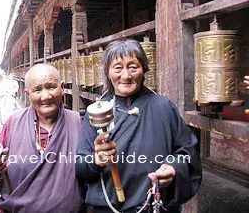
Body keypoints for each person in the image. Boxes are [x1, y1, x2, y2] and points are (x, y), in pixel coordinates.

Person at [76, 39, 202, 213]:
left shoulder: (163, 107)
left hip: (156, 206)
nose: (126, 76)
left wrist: (173, 166)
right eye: (118, 68)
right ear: (108, 72)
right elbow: (80, 166)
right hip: (111, 208)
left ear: (144, 70)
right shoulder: (98, 112)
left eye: (133, 67)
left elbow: (188, 153)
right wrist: (96, 160)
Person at [0, 64, 83, 212]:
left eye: (51, 87)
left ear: (62, 87)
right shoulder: (14, 122)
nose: (46, 96)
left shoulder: (78, 123)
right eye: (37, 90)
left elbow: (91, 169)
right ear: (27, 93)